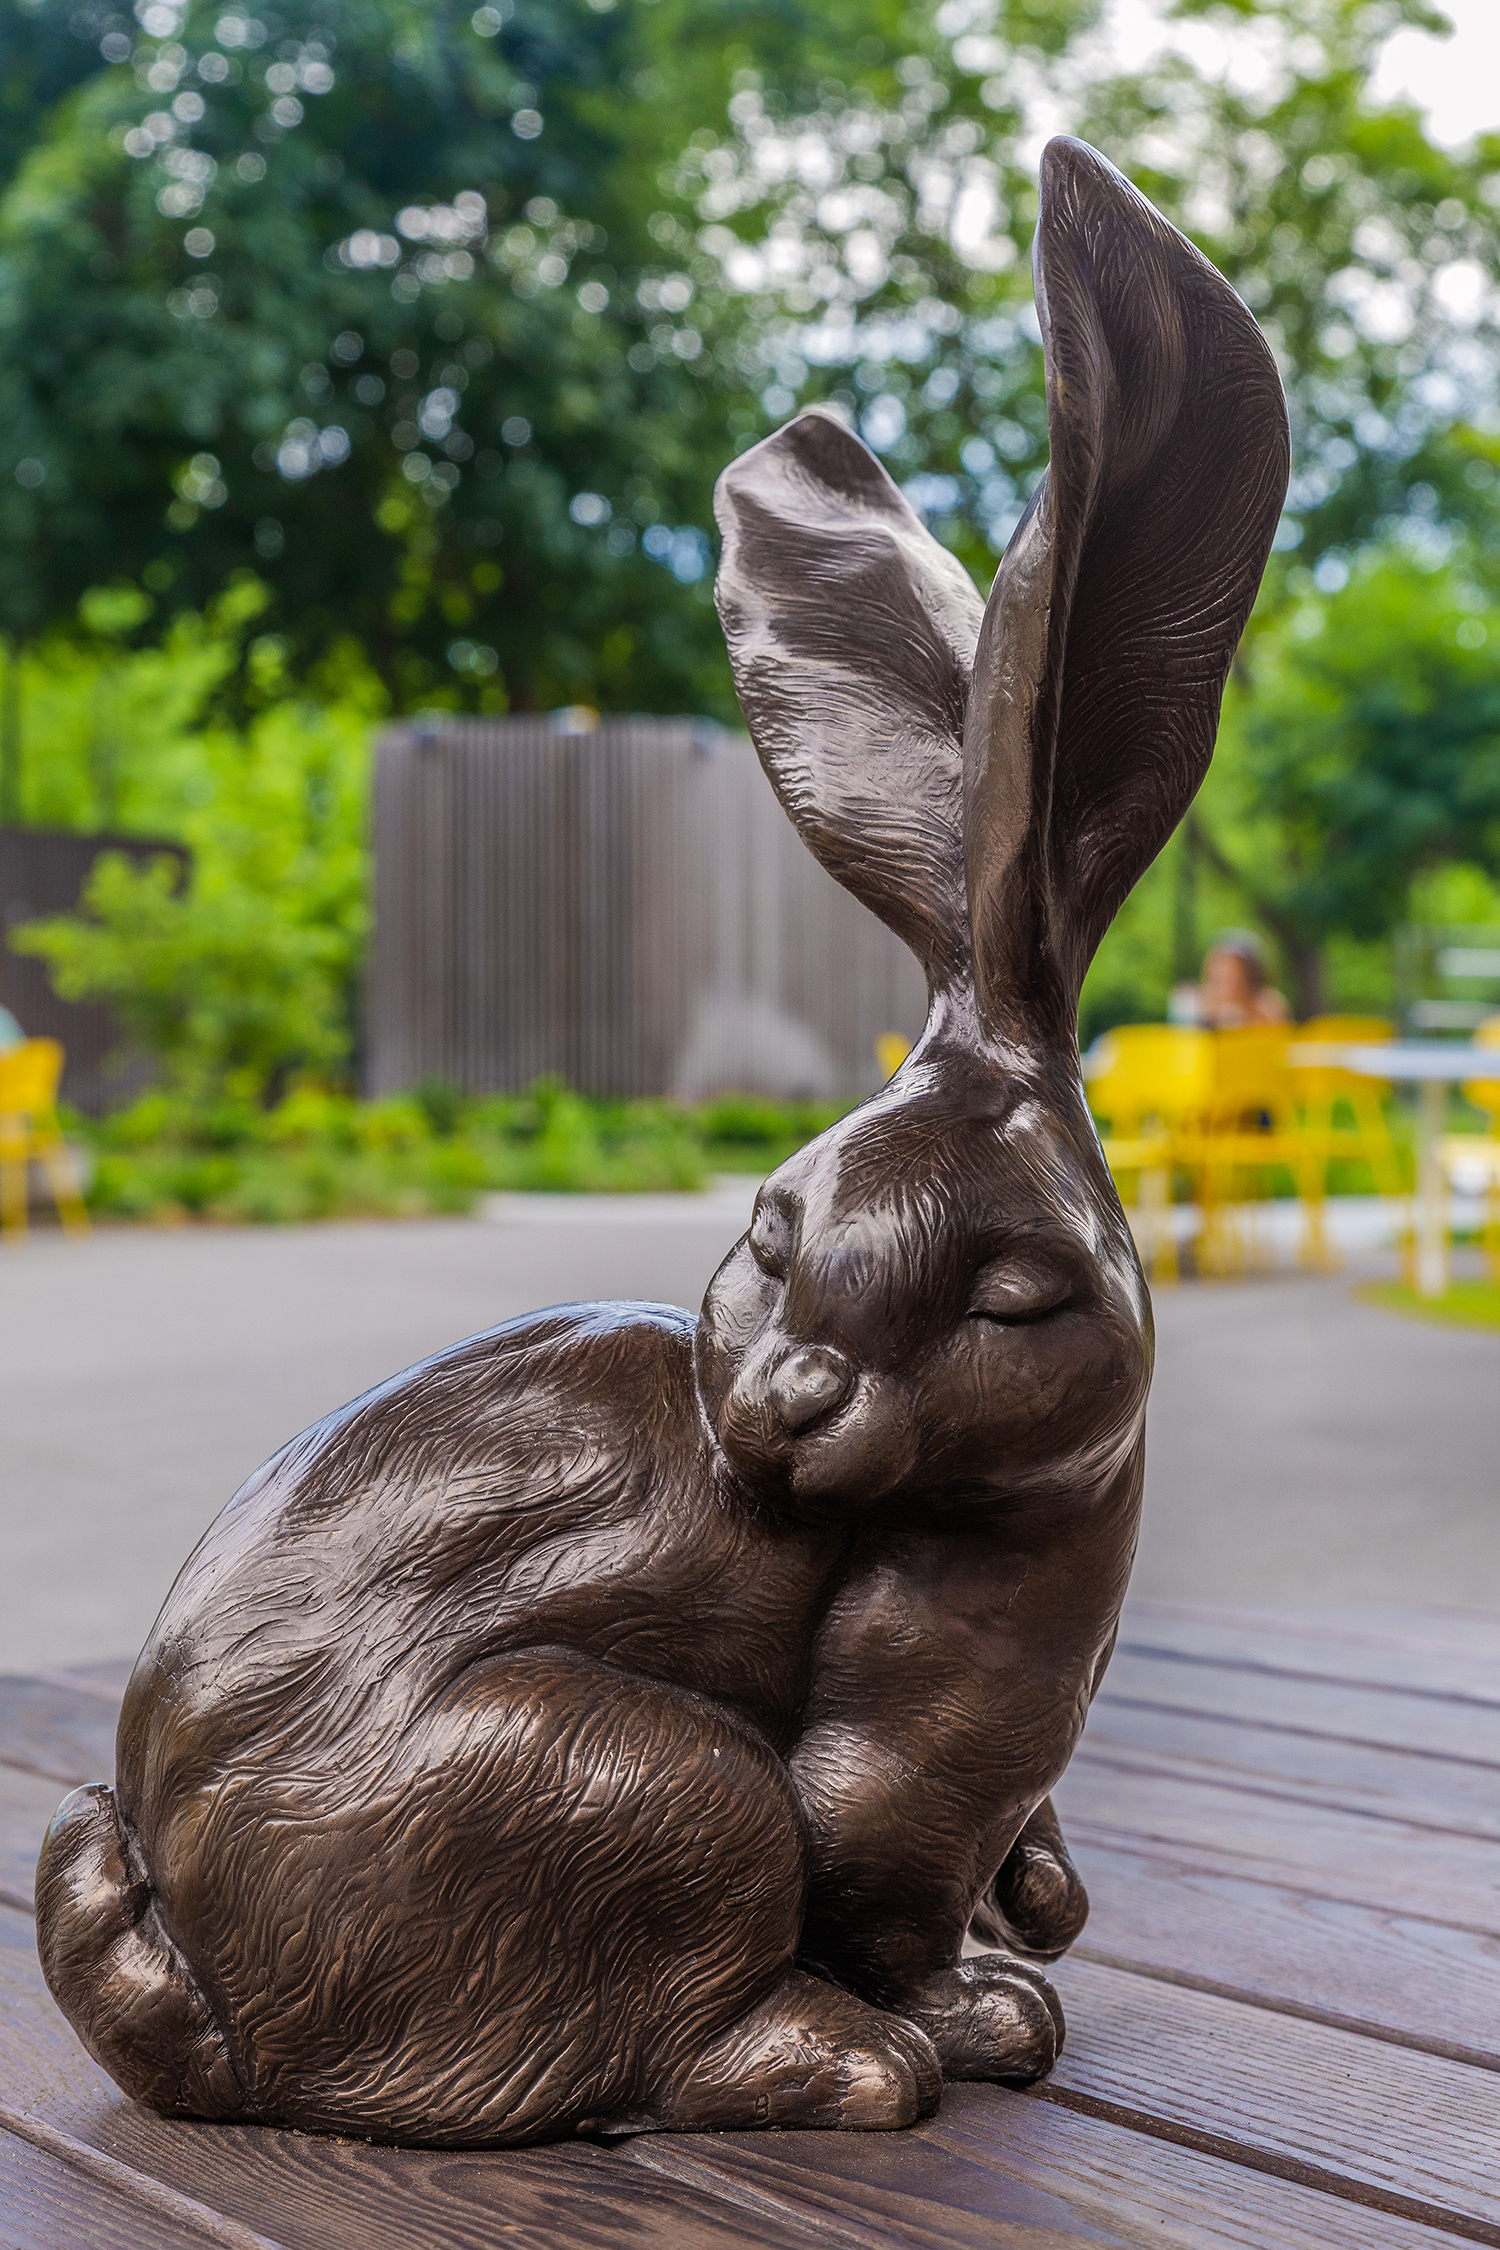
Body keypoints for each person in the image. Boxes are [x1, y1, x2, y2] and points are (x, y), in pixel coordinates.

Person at [1169, 932, 1291, 1029]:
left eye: (1236, 974)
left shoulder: (1268, 1005)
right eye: (1221, 973)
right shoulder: (1190, 1001)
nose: (1228, 978)